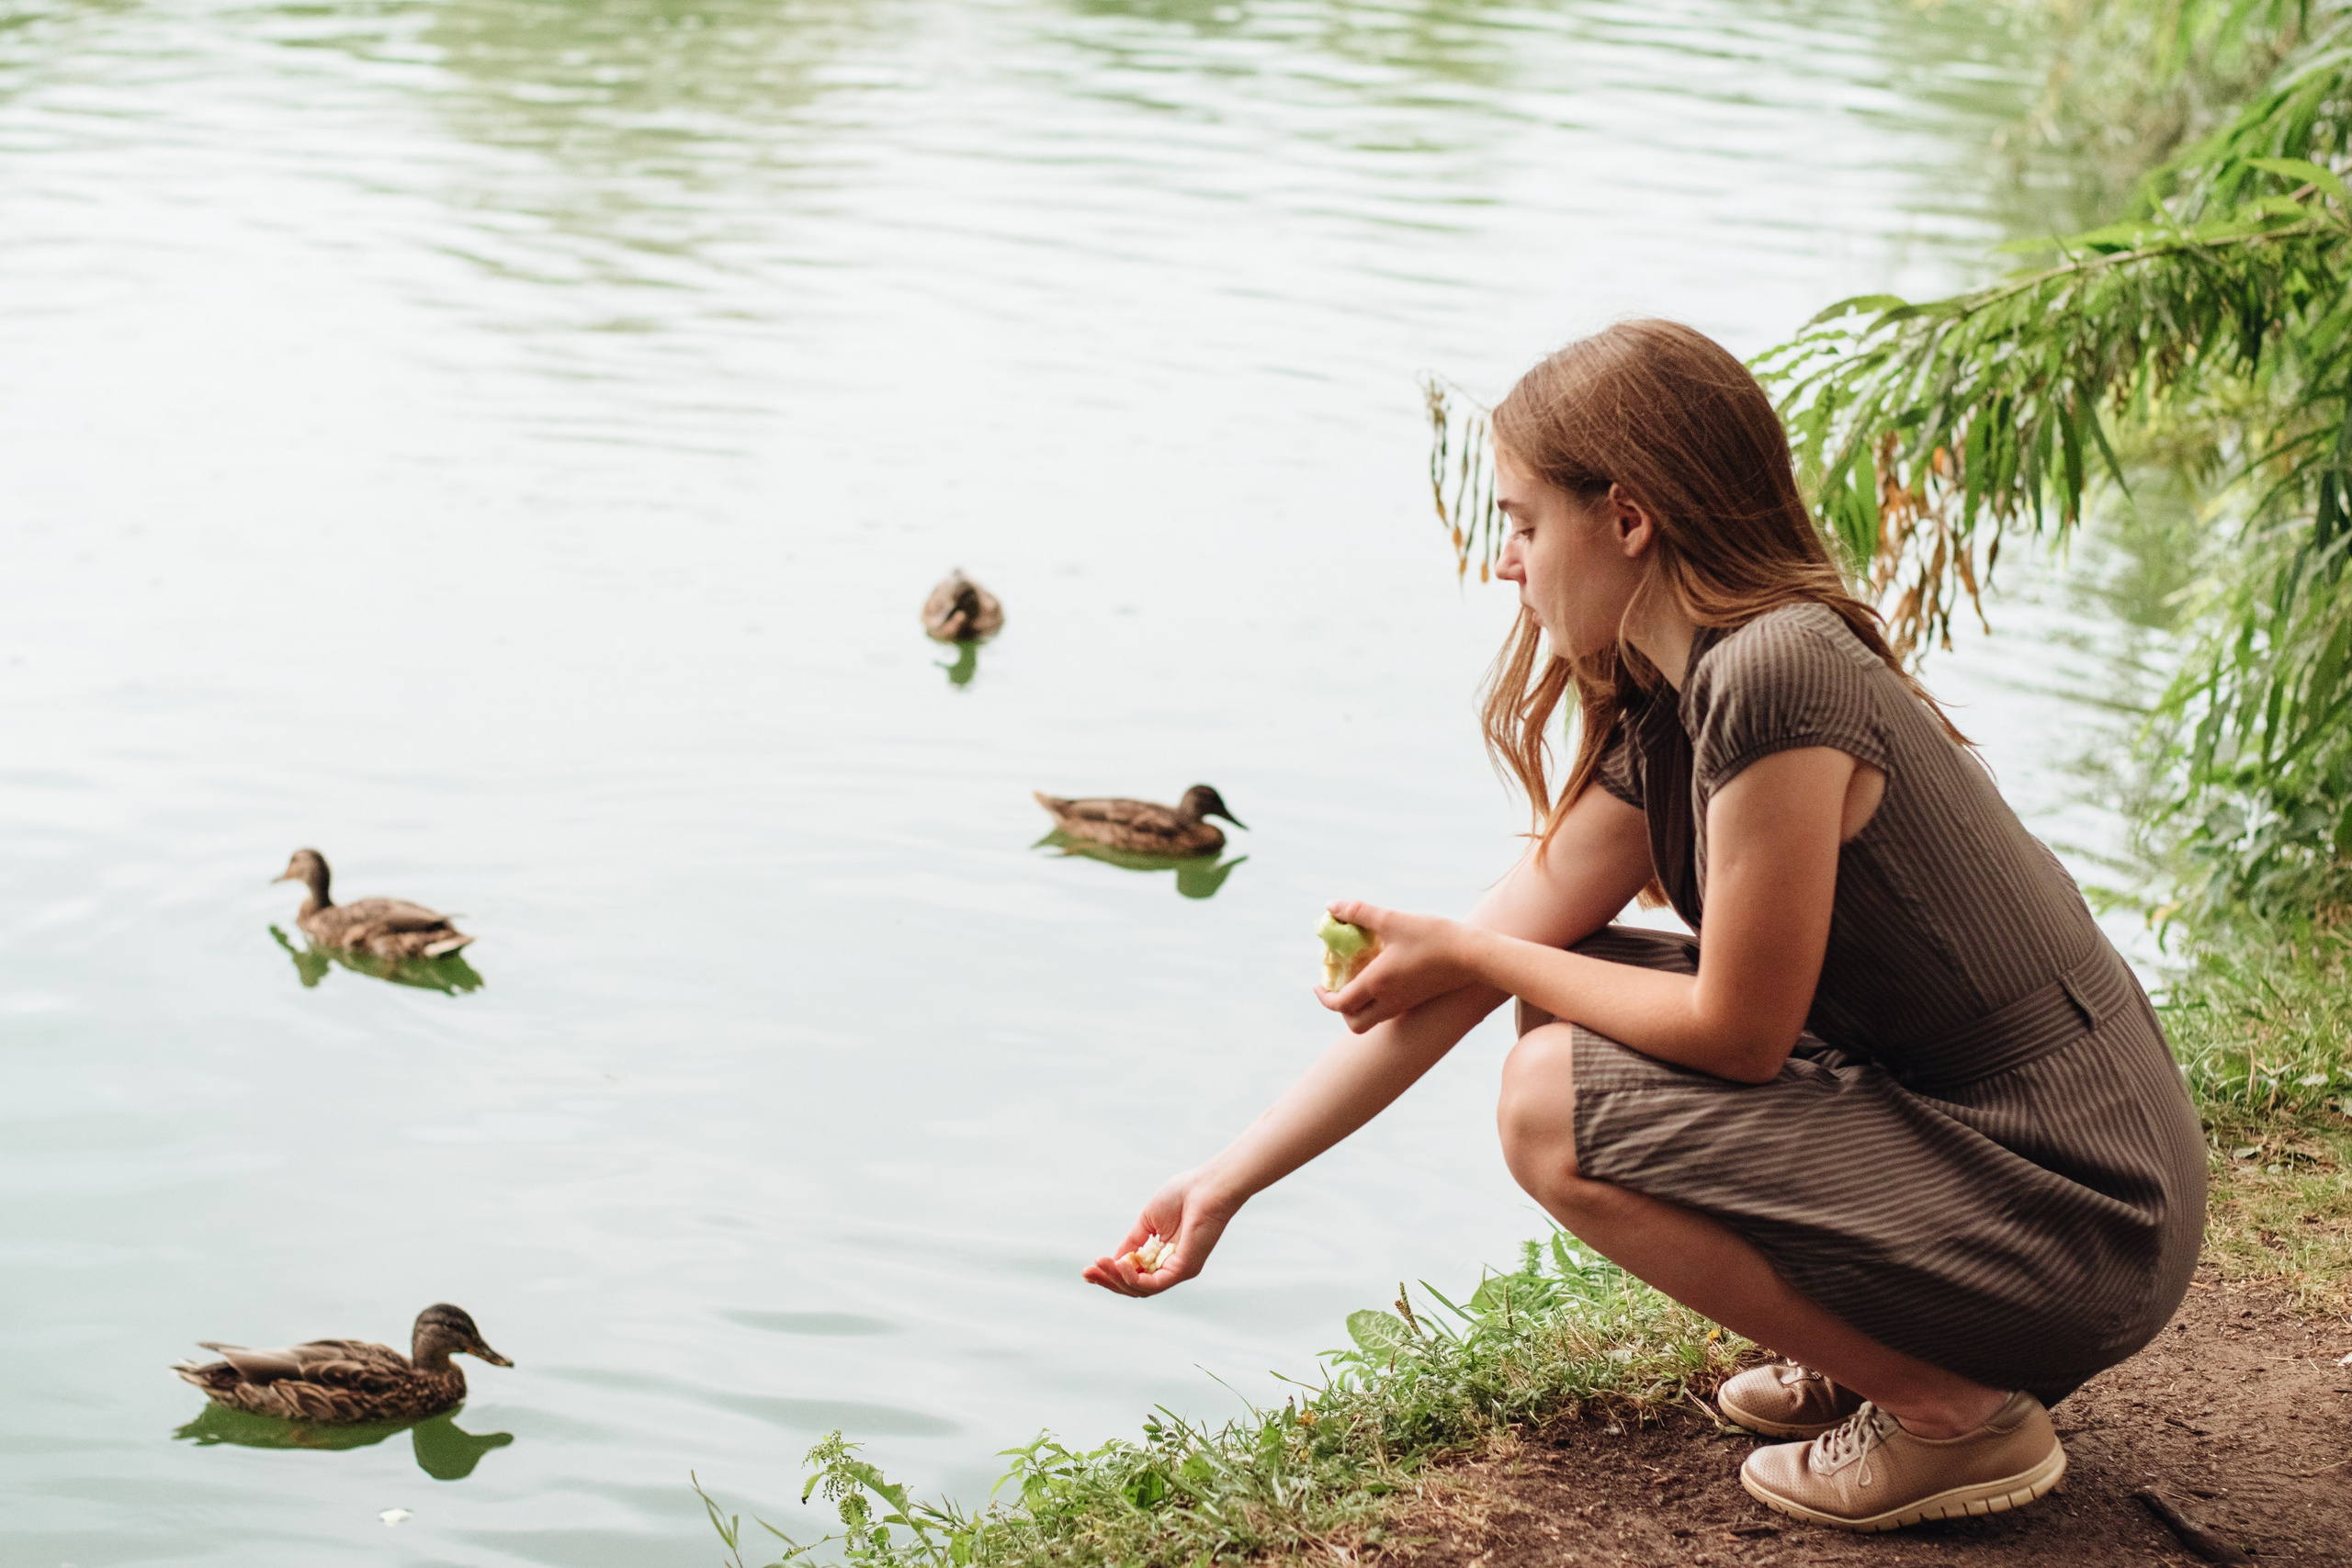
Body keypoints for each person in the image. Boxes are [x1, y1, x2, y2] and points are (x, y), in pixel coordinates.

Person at [1080, 320, 2205, 1532]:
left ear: (1626, 518)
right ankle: (1876, 1346)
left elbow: (1738, 1035)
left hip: (2083, 1210)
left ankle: (1953, 1412)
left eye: (1521, 521)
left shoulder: (1776, 673)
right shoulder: (1678, 705)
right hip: (2013, 1172)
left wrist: (1470, 952)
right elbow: (1470, 970)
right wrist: (1225, 1184)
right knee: (1558, 991)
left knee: (1547, 1093)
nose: (1504, 565)